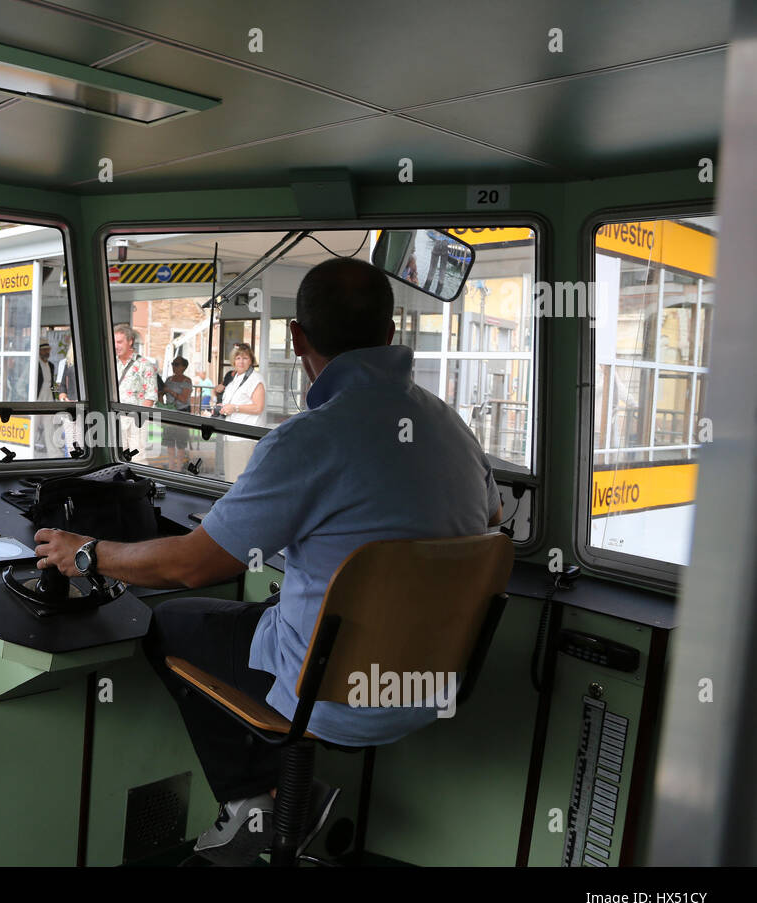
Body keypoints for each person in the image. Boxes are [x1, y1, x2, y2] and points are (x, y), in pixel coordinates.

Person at [34, 258, 502, 865]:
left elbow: (192, 567)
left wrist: (88, 553)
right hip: (427, 684)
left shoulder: (309, 439)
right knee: (271, 608)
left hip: (328, 694)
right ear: (391, 334)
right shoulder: (451, 426)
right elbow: (486, 527)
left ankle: (257, 802)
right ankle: (287, 793)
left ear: (296, 337)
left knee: (168, 623)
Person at [217, 343, 266, 481]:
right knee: (231, 477)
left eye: (245, 358)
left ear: (251, 360)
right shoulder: (235, 379)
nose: (241, 361)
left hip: (245, 437)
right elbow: (232, 403)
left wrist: (235, 408)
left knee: (239, 479)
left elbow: (258, 407)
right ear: (233, 361)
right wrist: (224, 406)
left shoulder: (255, 379)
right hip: (231, 436)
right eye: (238, 358)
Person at [113, 324, 157, 458]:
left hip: (135, 422)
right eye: (113, 342)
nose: (116, 346)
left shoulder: (145, 364)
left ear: (130, 341)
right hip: (115, 420)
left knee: (137, 460)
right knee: (117, 460)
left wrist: (139, 419)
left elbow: (151, 396)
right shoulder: (111, 363)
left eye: (119, 342)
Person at [159, 356, 194, 470]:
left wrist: (169, 391)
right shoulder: (169, 379)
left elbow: (184, 399)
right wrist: (162, 404)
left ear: (184, 367)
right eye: (173, 364)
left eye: (177, 364)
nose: (174, 366)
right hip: (170, 412)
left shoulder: (187, 381)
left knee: (180, 442)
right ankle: (171, 467)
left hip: (182, 413)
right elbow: (161, 393)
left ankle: (178, 469)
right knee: (169, 442)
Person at [33, 342, 60, 456]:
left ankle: (54, 453)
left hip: (49, 399)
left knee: (50, 428)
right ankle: (30, 450)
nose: (47, 352)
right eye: (44, 350)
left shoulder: (51, 365)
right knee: (33, 426)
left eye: (48, 350)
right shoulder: (35, 365)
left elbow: (51, 384)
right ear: (39, 351)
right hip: (37, 400)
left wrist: (56, 395)